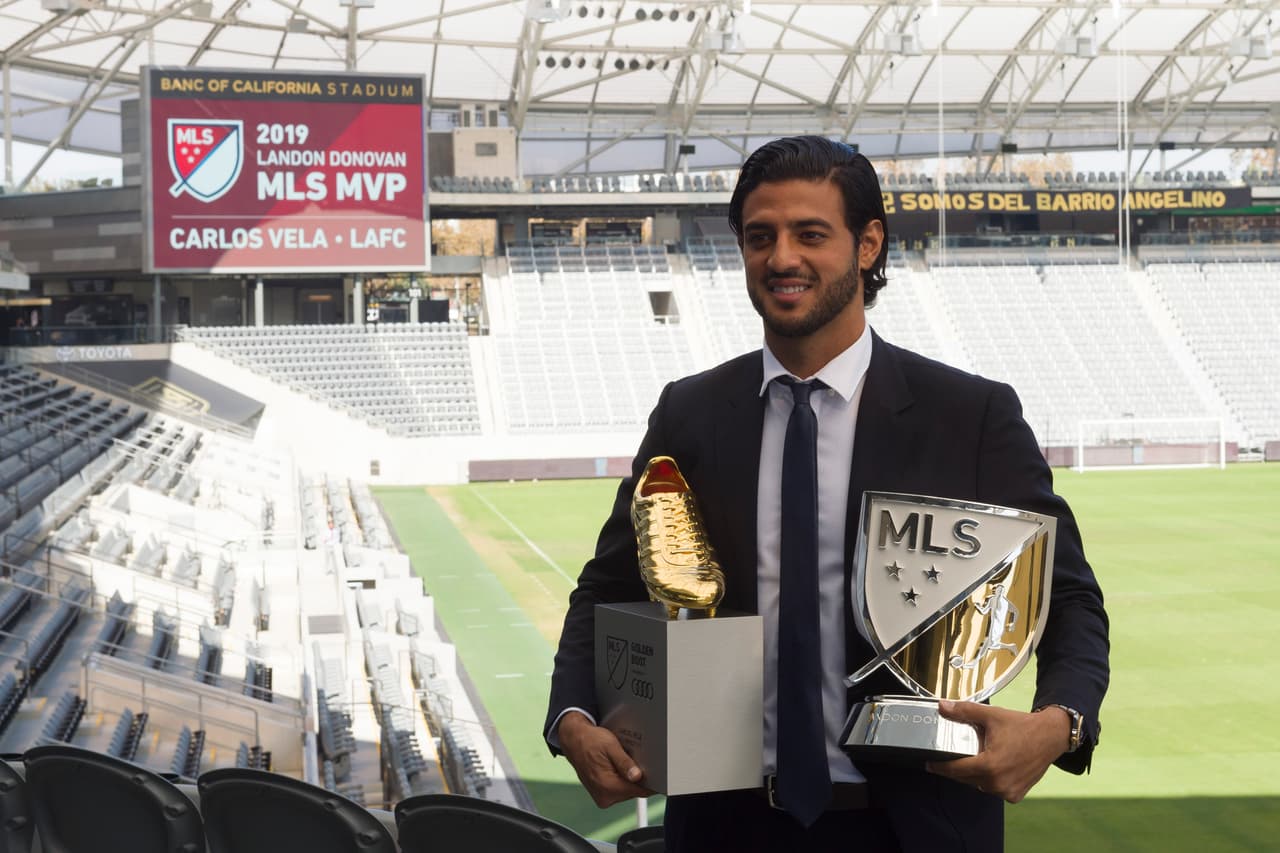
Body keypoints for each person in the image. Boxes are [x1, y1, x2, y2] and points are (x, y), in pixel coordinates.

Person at [544, 136, 1110, 852]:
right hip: (723, 828)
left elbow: (1067, 597)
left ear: (868, 244)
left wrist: (1059, 724)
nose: (781, 257)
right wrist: (571, 716)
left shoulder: (970, 417)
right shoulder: (689, 414)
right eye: (760, 237)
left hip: (915, 830)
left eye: (810, 234)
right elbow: (608, 586)